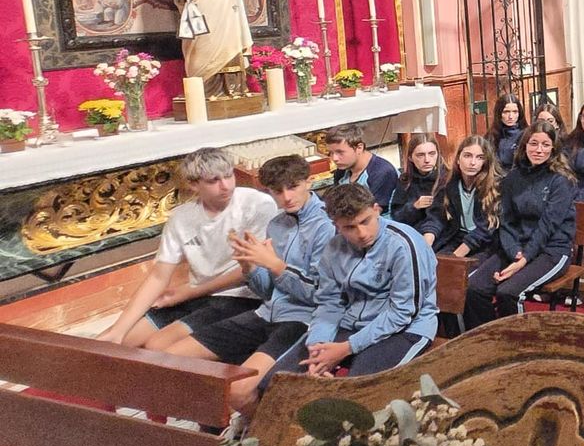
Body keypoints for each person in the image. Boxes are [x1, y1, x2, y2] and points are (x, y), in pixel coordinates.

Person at [160, 155, 334, 411]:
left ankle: (258, 439)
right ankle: (221, 427)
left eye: (293, 187)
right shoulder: (277, 224)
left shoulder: (327, 226)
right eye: (277, 191)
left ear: (309, 181)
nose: (286, 197)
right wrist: (249, 266)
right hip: (266, 312)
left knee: (240, 390)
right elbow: (267, 290)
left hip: (303, 320)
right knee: (172, 359)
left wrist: (275, 265)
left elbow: (321, 294)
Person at [99, 148, 275, 349]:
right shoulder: (181, 217)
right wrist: (118, 330)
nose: (225, 186)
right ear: (193, 184)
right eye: (213, 181)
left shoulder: (257, 203)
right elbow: (158, 277)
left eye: (228, 176)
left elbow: (252, 268)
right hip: (196, 295)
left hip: (239, 296)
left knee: (157, 346)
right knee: (112, 341)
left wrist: (189, 292)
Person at [264, 183, 438, 382]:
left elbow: (403, 312)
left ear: (376, 210)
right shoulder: (334, 248)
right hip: (351, 324)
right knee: (280, 382)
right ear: (335, 224)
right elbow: (329, 303)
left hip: (407, 329)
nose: (362, 233)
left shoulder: (403, 244)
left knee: (355, 392)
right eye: (349, 227)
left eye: (366, 221)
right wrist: (318, 346)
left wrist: (346, 348)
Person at [464, 122, 576, 327]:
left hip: (552, 250)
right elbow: (506, 221)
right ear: (524, 145)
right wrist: (514, 250)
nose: (539, 150)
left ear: (553, 148)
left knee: (508, 292)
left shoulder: (560, 181)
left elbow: (547, 226)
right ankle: (490, 340)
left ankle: (520, 346)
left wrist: (523, 260)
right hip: (517, 248)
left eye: (545, 144)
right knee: (474, 288)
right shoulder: (513, 178)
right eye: (534, 143)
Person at [422, 134, 499, 257]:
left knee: (459, 272)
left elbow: (486, 228)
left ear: (486, 162)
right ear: (458, 159)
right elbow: (436, 217)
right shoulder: (448, 183)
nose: (472, 162)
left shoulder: (495, 187)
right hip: (456, 237)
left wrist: (455, 257)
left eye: (480, 158)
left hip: (484, 244)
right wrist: (426, 244)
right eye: (467, 156)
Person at [326, 124, 400, 215]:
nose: (334, 158)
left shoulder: (382, 172)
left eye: (340, 152)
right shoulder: (341, 171)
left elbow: (373, 213)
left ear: (359, 148)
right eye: (330, 153)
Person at [393, 135, 446, 230]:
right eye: (420, 155)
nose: (427, 160)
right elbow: (396, 216)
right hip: (414, 231)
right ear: (410, 158)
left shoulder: (447, 177)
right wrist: (414, 206)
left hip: (442, 232)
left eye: (432, 154)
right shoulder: (405, 180)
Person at [488, 94, 526, 169]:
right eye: (506, 112)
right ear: (499, 113)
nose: (511, 116)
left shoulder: (527, 135)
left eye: (515, 112)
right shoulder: (490, 137)